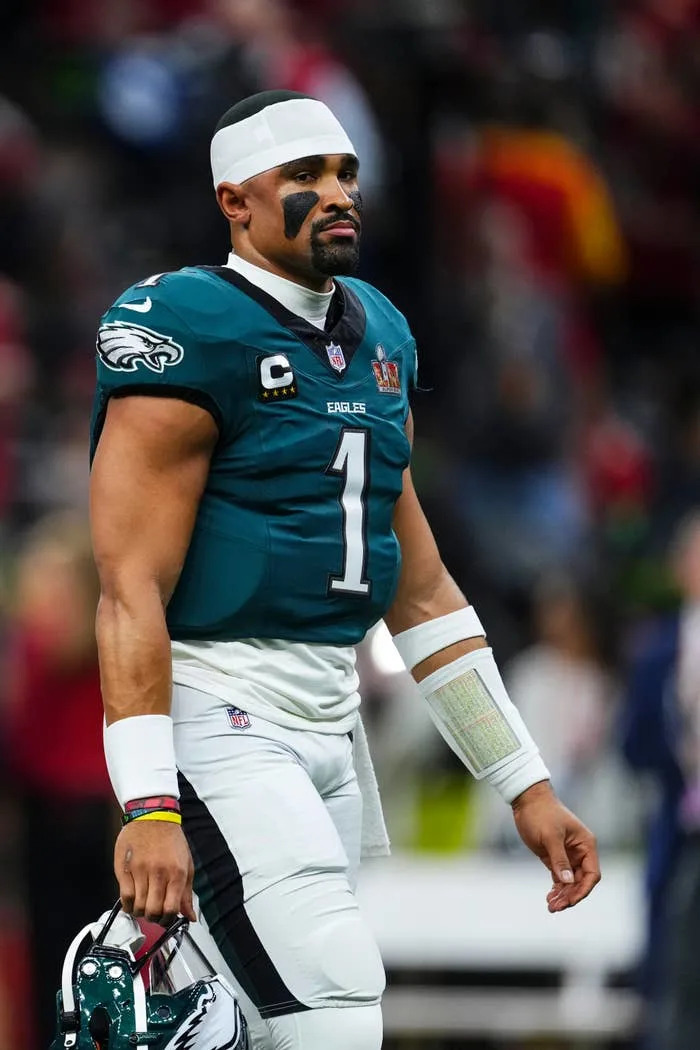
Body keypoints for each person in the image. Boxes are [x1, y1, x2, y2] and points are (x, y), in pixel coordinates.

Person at [89, 89, 600, 1050]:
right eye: (305, 177)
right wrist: (147, 800)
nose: (337, 194)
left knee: (270, 1023)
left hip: (332, 718)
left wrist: (525, 785)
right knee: (335, 997)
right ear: (235, 201)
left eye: (346, 174)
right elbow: (128, 590)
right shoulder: (188, 326)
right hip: (221, 710)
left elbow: (422, 592)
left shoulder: (379, 337)